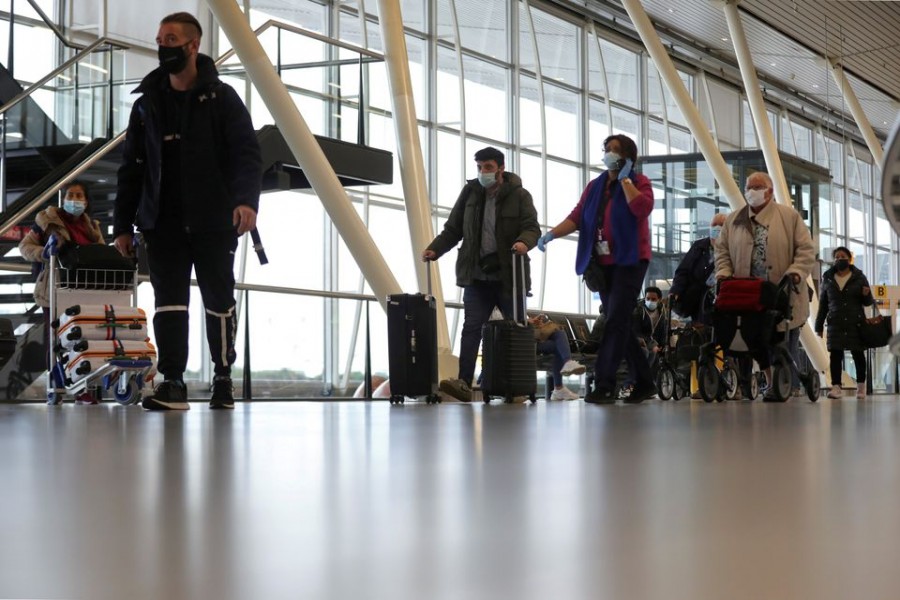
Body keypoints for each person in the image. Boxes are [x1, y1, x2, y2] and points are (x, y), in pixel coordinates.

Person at [112, 12, 262, 411]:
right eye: (160, 39)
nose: (164, 46)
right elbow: (132, 168)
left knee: (219, 300)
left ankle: (223, 376)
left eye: (172, 39)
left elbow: (246, 153)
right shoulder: (147, 105)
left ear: (193, 46)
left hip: (215, 220)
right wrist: (122, 226)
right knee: (169, 302)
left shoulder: (222, 97)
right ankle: (173, 381)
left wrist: (246, 201)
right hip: (162, 223)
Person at [536, 134, 655, 404]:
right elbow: (578, 216)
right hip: (602, 266)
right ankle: (645, 382)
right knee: (619, 322)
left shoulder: (639, 183)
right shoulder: (595, 186)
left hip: (630, 261)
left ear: (627, 156)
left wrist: (625, 180)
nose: (608, 154)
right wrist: (552, 234)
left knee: (614, 320)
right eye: (606, 149)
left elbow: (641, 208)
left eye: (614, 150)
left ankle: (604, 385)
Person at [422, 146, 540, 402]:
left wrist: (523, 242)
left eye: (487, 167)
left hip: (510, 275)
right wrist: (435, 249)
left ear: (500, 168)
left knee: (514, 329)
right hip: (477, 275)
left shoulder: (519, 196)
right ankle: (464, 382)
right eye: (479, 167)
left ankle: (513, 383)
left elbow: (532, 227)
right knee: (472, 327)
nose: (483, 172)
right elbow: (453, 229)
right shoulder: (470, 194)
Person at [715, 171, 816, 401]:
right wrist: (724, 273)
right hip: (747, 294)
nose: (751, 191)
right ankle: (768, 383)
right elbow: (721, 251)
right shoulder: (734, 219)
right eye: (748, 186)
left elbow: (806, 250)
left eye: (757, 187)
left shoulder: (789, 217)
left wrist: (797, 272)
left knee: (782, 340)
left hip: (781, 291)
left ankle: (787, 384)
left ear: (769, 191)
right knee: (755, 340)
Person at [19, 181, 105, 405]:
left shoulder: (93, 228)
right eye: (70, 195)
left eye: (79, 195)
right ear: (63, 198)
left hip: (85, 290)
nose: (74, 199)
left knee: (82, 339)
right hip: (55, 289)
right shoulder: (46, 221)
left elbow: (102, 252)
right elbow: (25, 247)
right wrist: (45, 253)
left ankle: (81, 389)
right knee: (55, 340)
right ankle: (56, 386)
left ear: (86, 202)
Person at [814, 247, 873, 400]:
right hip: (835, 322)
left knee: (858, 354)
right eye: (837, 257)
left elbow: (868, 302)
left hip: (855, 322)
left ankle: (861, 387)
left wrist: (866, 295)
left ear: (849, 258)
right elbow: (823, 304)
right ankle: (836, 387)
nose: (840, 259)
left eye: (843, 256)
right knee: (835, 355)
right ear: (834, 260)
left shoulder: (859, 277)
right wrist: (818, 326)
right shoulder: (827, 277)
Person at [670, 213, 726, 326]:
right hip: (695, 297)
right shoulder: (699, 246)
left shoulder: (731, 247)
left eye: (721, 225)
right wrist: (675, 291)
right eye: (714, 224)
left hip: (717, 299)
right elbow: (683, 271)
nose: (717, 228)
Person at [529, 314, 584, 401]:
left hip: (534, 338)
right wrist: (528, 322)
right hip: (527, 341)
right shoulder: (511, 307)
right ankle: (559, 387)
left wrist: (532, 322)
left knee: (560, 334)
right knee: (559, 347)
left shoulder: (516, 306)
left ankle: (567, 364)